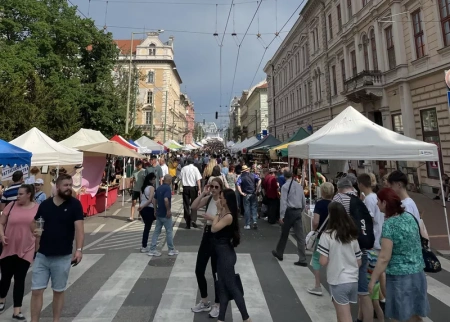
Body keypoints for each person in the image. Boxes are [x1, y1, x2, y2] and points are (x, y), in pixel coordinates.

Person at [369, 188, 430, 322]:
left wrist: (373, 279)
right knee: (414, 315)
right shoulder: (409, 217)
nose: (377, 204)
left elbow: (384, 257)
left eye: (378, 201)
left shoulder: (390, 224)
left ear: (385, 203)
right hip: (418, 273)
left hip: (400, 277)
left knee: (399, 316)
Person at [30, 174, 84, 322]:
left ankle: (56, 320)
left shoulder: (75, 204)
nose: (69, 188)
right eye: (66, 185)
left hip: (63, 256)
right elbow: (34, 223)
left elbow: (79, 229)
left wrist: (78, 250)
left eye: (70, 185)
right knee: (36, 291)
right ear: (58, 186)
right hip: (42, 255)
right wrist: (35, 231)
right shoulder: (45, 205)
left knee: (58, 292)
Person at [333, 177, 374, 322]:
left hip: (346, 251)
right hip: (362, 249)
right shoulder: (358, 199)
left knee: (342, 292)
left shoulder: (339, 198)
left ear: (339, 188)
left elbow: (334, 221)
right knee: (363, 292)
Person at [212, 188, 251, 322]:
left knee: (232, 288)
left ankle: (246, 318)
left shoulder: (228, 216)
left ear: (227, 200)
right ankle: (221, 318)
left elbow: (213, 228)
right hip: (221, 255)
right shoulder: (225, 212)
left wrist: (218, 211)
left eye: (221, 197)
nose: (219, 199)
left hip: (226, 256)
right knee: (222, 288)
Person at [318, 202, 362, 322]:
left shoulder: (327, 236)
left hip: (338, 280)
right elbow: (359, 262)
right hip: (353, 279)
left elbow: (323, 261)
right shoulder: (351, 235)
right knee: (344, 314)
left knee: (345, 318)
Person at [0, 184, 38, 321]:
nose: (18, 196)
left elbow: (39, 227)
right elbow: (1, 222)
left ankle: (17, 310)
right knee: (5, 277)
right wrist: (1, 235)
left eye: (21, 194)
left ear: (29, 194)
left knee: (20, 279)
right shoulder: (11, 206)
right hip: (8, 246)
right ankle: (2, 300)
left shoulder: (37, 208)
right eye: (18, 193)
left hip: (27, 247)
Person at [190, 177, 224, 318]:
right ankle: (204, 301)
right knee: (199, 270)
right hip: (206, 236)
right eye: (212, 186)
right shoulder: (209, 198)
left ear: (221, 188)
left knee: (216, 273)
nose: (214, 189)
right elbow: (193, 207)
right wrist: (203, 193)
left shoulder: (223, 202)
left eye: (216, 187)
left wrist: (210, 218)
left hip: (218, 236)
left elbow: (227, 220)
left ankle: (217, 304)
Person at [272, 169, 307, 266]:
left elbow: (283, 202)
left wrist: (281, 216)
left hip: (289, 212)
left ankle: (280, 253)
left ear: (284, 176)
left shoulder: (285, 186)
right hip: (298, 211)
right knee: (300, 236)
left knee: (284, 234)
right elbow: (303, 200)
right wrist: (301, 209)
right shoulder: (299, 186)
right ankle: (302, 258)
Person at [307, 182, 335, 296]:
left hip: (321, 235)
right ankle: (333, 286)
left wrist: (314, 229)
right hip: (333, 235)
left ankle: (318, 285)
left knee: (316, 259)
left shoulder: (319, 204)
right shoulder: (335, 204)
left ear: (322, 191)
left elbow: (315, 222)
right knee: (332, 260)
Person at [147, 174, 179, 257]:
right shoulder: (167, 188)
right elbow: (166, 199)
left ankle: (152, 249)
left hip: (159, 213)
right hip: (165, 214)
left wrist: (155, 210)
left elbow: (154, 200)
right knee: (169, 231)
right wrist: (168, 210)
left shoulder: (159, 188)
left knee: (157, 231)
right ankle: (171, 249)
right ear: (169, 181)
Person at [236, 165, 261, 230]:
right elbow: (259, 180)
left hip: (246, 194)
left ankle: (248, 224)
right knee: (254, 207)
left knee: (247, 209)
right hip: (253, 193)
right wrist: (257, 189)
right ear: (248, 170)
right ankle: (255, 221)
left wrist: (241, 192)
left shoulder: (241, 177)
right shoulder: (253, 175)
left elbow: (238, 184)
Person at [180, 158, 202, 229]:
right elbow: (198, 179)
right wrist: (199, 189)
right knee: (194, 204)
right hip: (193, 188)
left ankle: (187, 222)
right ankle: (193, 220)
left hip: (185, 187)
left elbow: (180, 177)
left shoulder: (183, 168)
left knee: (186, 205)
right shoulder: (195, 169)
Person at [138, 173, 156, 253]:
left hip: (142, 209)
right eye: (153, 179)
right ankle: (144, 246)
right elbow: (150, 200)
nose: (155, 180)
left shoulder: (143, 188)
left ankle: (144, 245)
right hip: (148, 208)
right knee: (147, 228)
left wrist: (141, 207)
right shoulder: (152, 188)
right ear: (150, 180)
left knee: (147, 227)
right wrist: (143, 206)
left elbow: (141, 199)